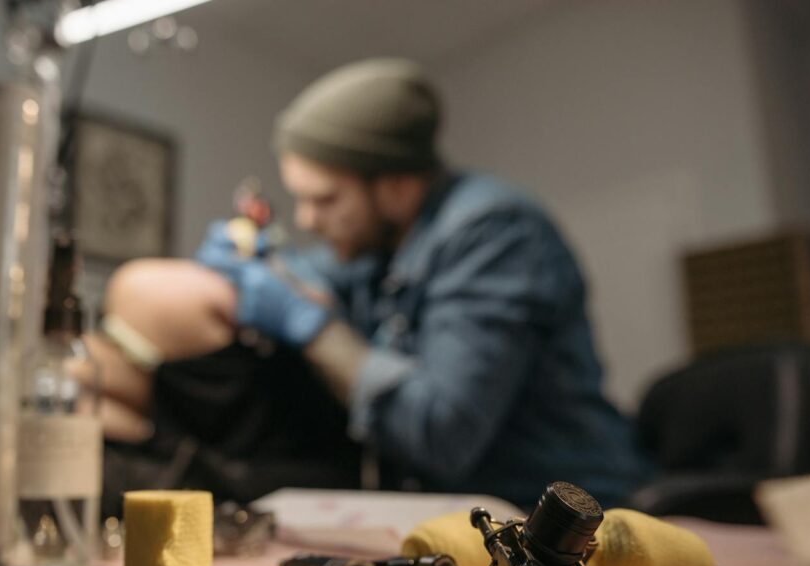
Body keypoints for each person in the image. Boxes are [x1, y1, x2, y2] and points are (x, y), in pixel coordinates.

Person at [92, 58, 649, 509]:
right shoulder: (378, 241)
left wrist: (312, 325)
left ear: (398, 189)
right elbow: (310, 274)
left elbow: (442, 431)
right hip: (438, 506)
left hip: (548, 513)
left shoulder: (494, 233)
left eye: (325, 200)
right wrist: (264, 265)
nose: (307, 220)